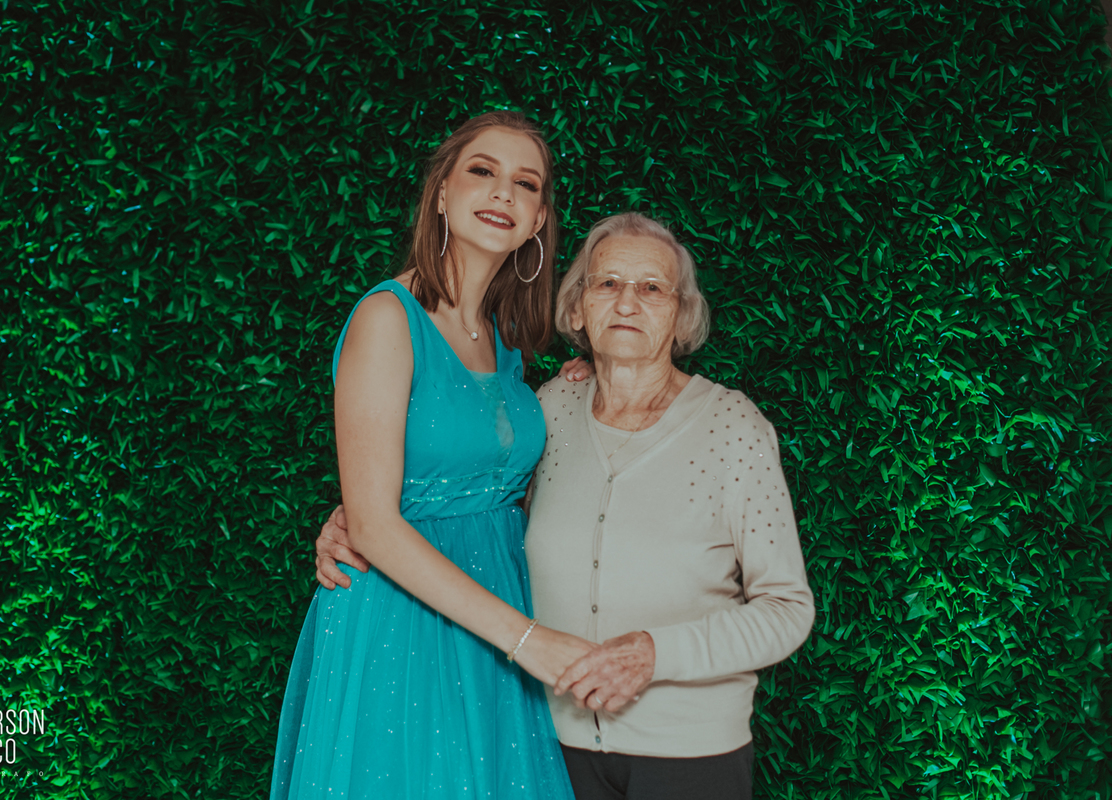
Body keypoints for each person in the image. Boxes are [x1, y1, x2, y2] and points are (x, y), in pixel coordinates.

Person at [317, 212, 816, 800]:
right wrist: (360, 520)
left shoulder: (734, 428)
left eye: (652, 288)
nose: (627, 302)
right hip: (549, 751)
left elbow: (787, 609)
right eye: (607, 284)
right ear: (577, 310)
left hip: (691, 753)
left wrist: (656, 653)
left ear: (682, 316)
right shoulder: (546, 411)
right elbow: (482, 504)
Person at [269, 111, 593, 800]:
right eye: (483, 170)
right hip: (405, 624)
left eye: (526, 183)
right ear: (442, 193)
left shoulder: (505, 338)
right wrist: (529, 640)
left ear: (538, 220)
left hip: (493, 613)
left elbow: (494, 477)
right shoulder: (387, 317)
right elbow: (374, 526)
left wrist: (592, 383)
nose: (503, 192)